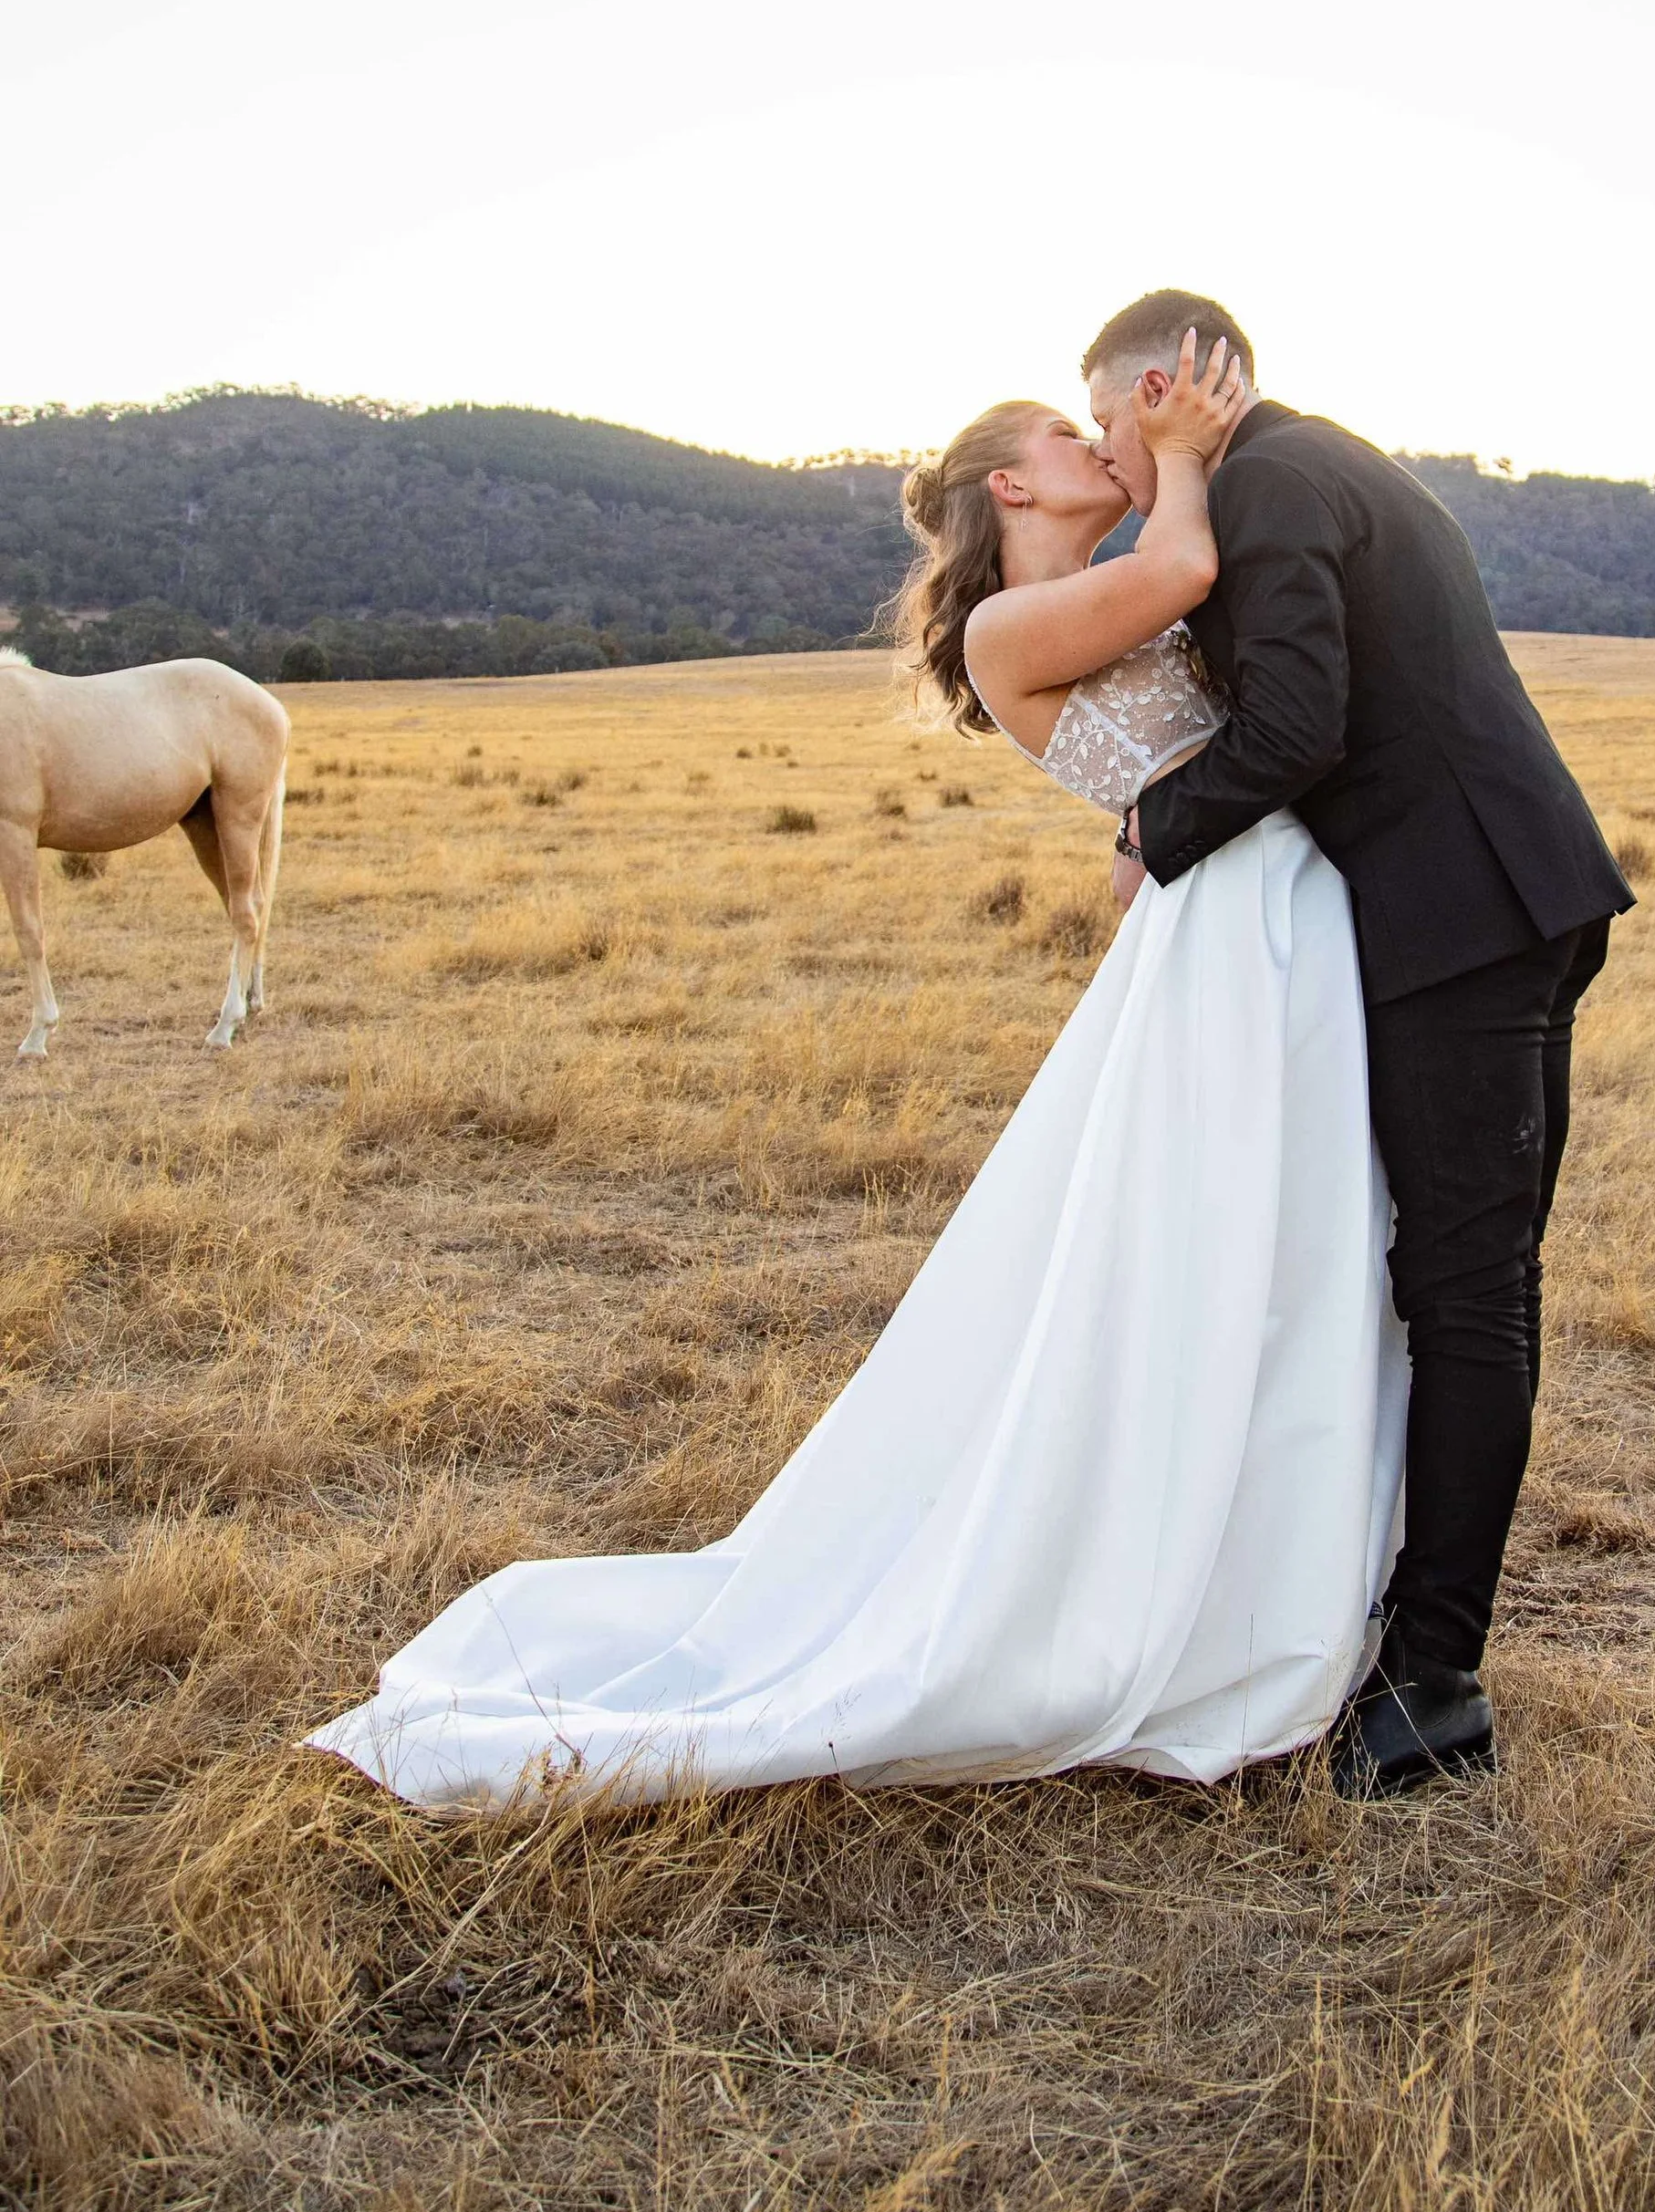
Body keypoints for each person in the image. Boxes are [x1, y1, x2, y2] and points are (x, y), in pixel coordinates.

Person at [307, 334, 1406, 1811]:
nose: (1111, 450)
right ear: (1017, 483)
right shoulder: (1014, 630)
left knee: (1275, 1241)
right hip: (1228, 922)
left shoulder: (1061, 593)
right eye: (1080, 440)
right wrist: (1197, 449)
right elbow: (1191, 575)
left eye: (1116, 437)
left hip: (1251, 902)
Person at [1084, 291, 1630, 1797]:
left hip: (1463, 920)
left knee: (1465, 1292)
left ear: (1165, 389)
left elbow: (1300, 722)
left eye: (1111, 430)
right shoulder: (1330, 460)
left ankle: (1434, 1679)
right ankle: (1412, 1627)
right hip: (1516, 893)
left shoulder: (1264, 485)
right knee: (1477, 1278)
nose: (1113, 469)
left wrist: (1155, 826)